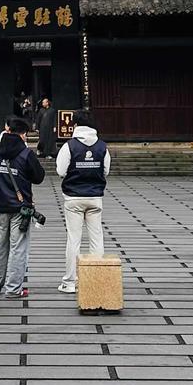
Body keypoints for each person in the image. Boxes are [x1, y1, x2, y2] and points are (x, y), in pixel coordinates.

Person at [0, 115, 45, 299]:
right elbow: (39, 177)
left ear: (7, 130)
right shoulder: (26, 154)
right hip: (21, 209)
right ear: (23, 134)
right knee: (18, 249)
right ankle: (13, 288)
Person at [55, 109, 110, 293]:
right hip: (95, 197)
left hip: (73, 197)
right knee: (96, 238)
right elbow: (105, 171)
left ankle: (70, 282)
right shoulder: (102, 146)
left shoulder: (69, 146)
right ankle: (96, 279)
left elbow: (61, 171)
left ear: (75, 125)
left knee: (74, 240)